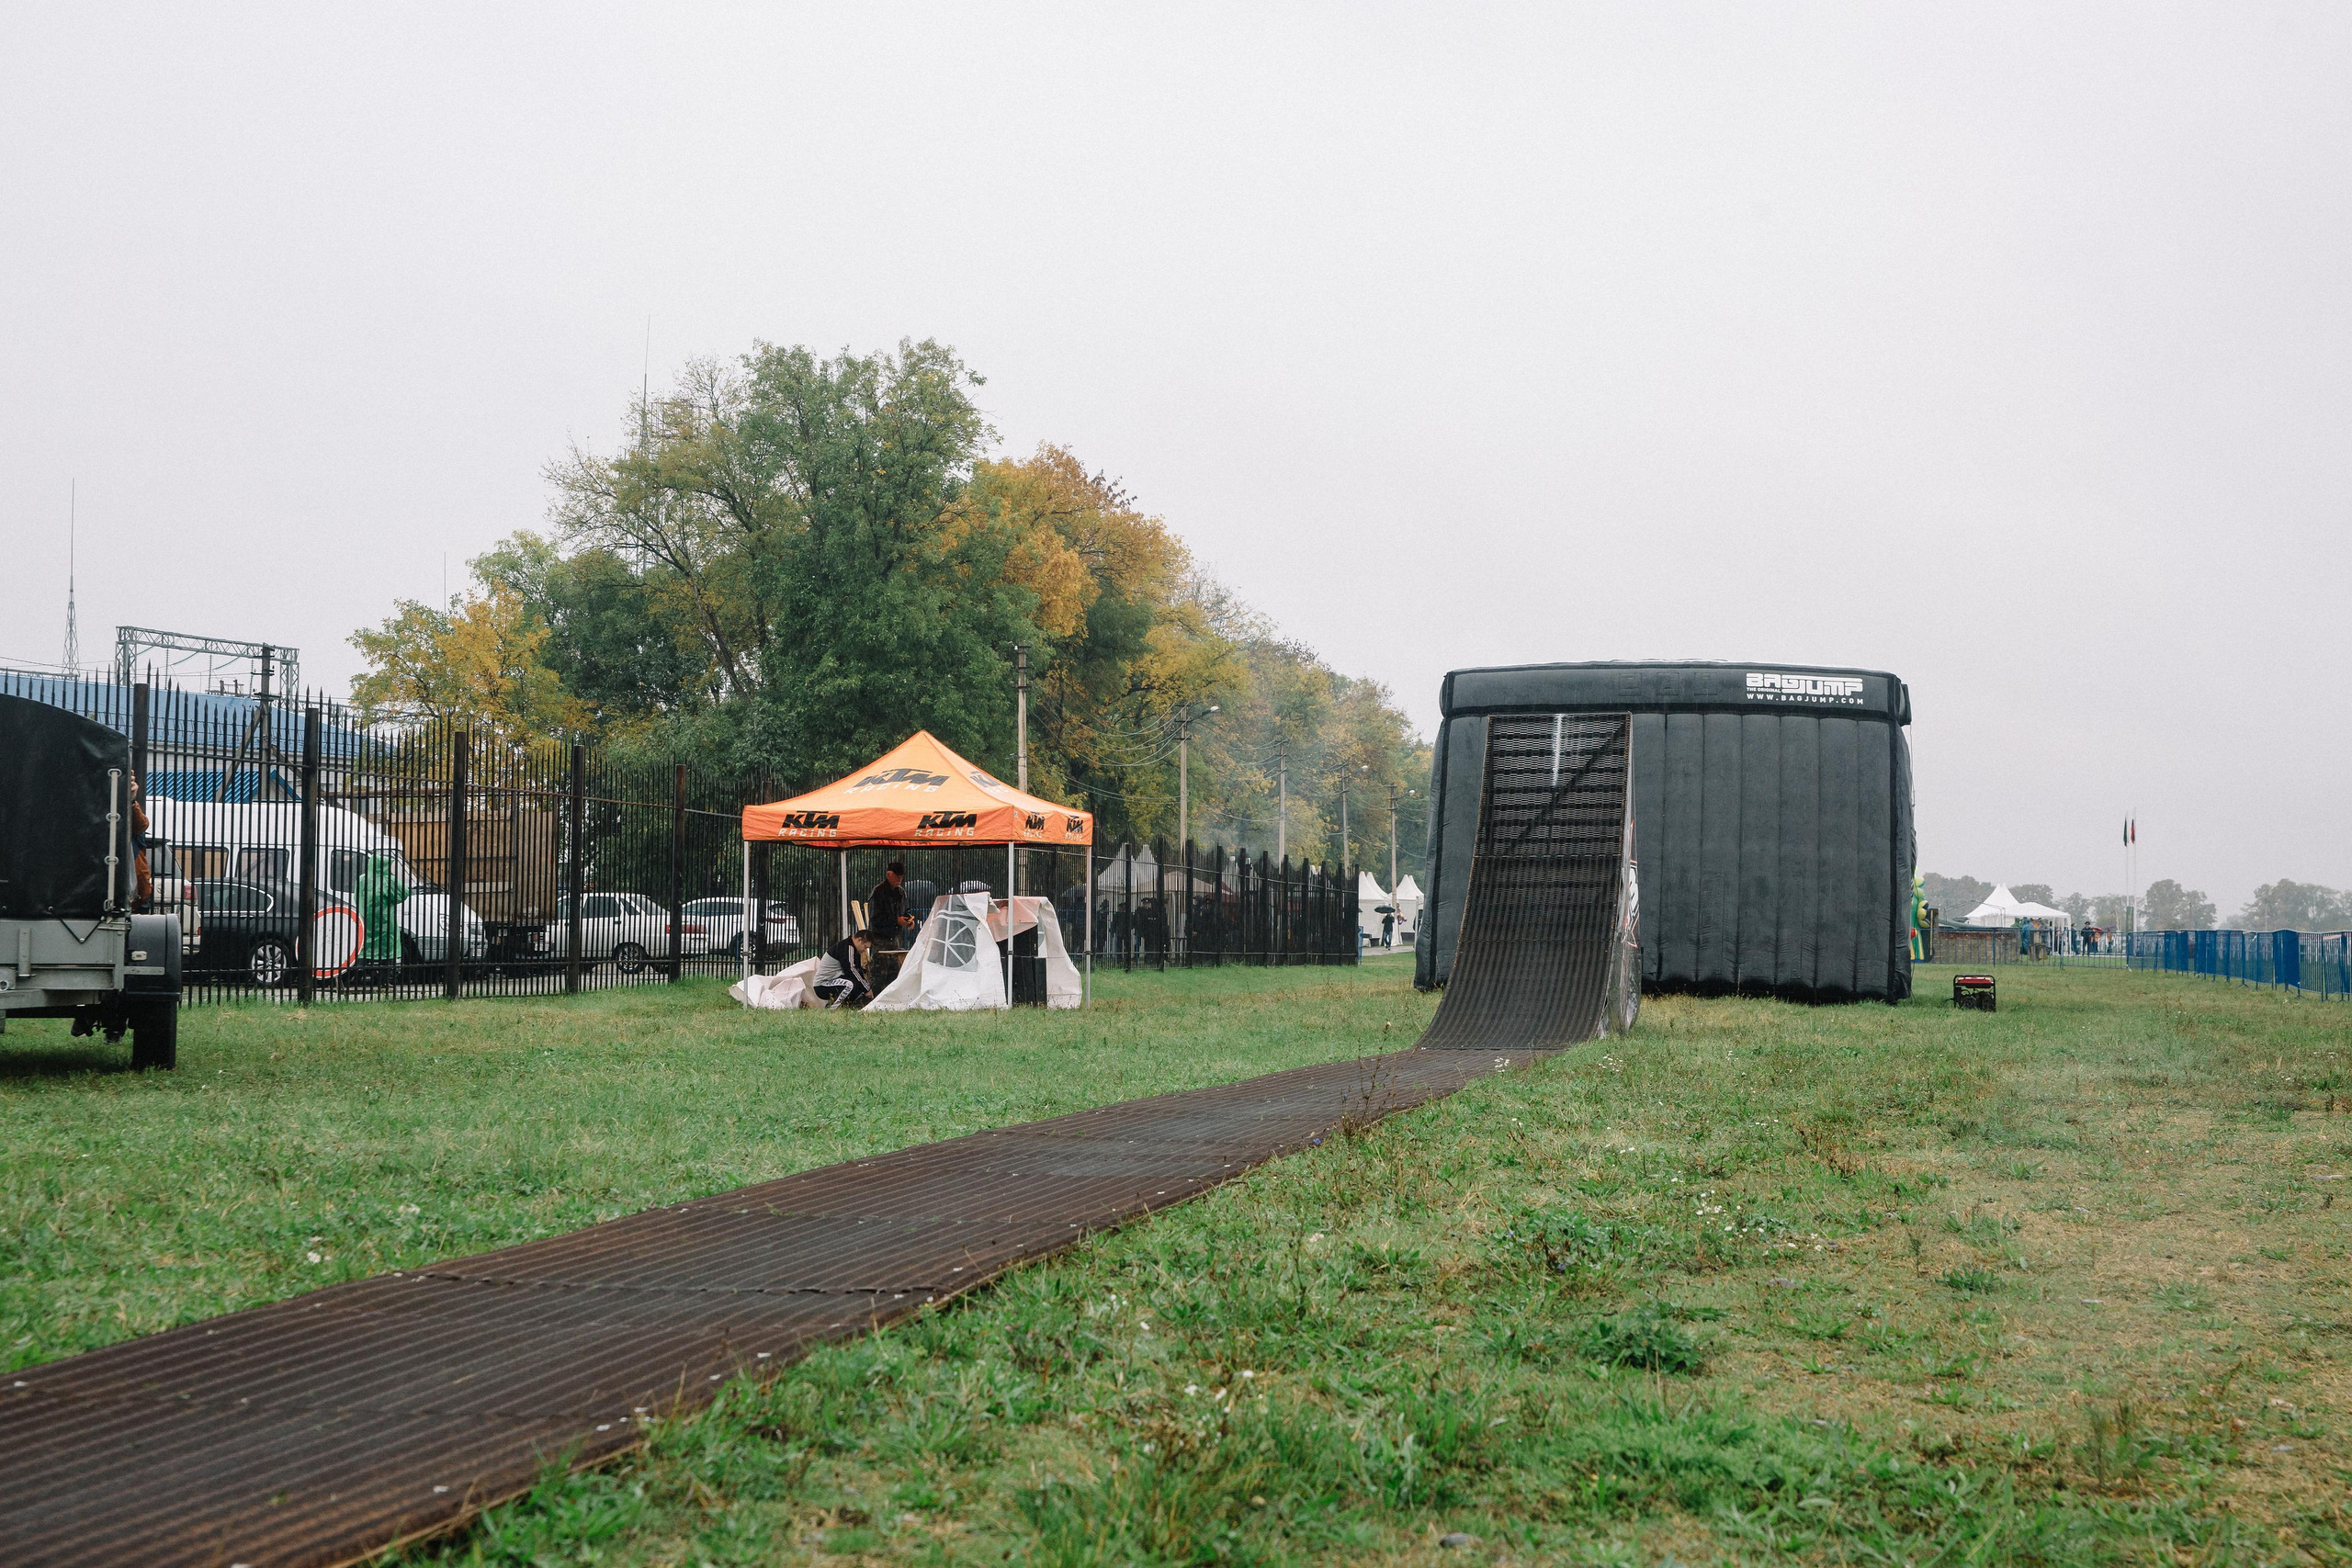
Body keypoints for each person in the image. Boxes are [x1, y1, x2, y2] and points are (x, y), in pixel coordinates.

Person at [354, 853, 411, 977]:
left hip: (366, 919)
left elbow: (356, 897)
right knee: (387, 949)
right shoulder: (389, 880)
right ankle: (385, 978)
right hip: (385, 920)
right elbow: (404, 893)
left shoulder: (362, 879)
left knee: (365, 946)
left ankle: (360, 971)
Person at [812, 927, 874, 1009]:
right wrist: (867, 989)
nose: (864, 950)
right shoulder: (848, 948)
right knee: (849, 985)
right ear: (859, 940)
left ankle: (848, 1006)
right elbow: (851, 970)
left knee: (856, 984)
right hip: (823, 984)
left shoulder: (851, 948)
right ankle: (833, 1009)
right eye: (865, 947)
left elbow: (857, 971)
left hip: (832, 981)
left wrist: (865, 985)